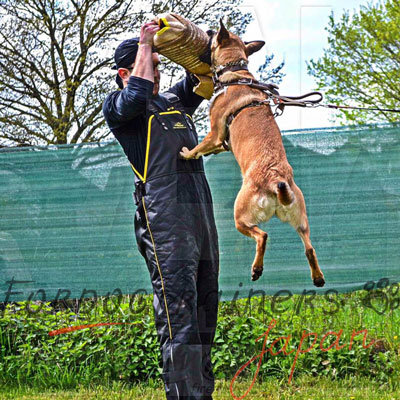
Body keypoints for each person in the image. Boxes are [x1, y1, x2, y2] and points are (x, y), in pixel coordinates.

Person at [102, 21, 219, 400]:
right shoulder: (122, 109)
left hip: (199, 211)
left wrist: (204, 46)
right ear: (127, 71)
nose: (158, 69)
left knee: (205, 308)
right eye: (151, 62)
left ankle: (201, 393)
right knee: (179, 314)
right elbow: (135, 94)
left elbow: (203, 77)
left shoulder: (173, 101)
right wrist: (145, 41)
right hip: (164, 218)